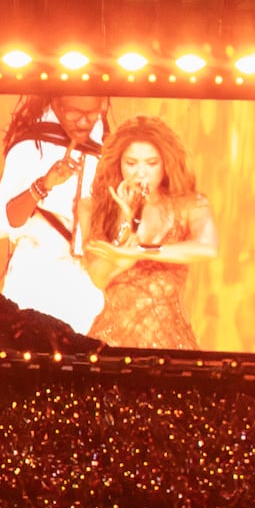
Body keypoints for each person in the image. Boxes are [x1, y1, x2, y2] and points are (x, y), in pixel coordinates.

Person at [82, 114, 214, 348]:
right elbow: (98, 277)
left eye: (151, 164)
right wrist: (126, 221)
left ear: (166, 163)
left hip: (171, 342)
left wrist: (140, 251)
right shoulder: (93, 207)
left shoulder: (189, 204)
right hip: (112, 341)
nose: (140, 173)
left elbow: (207, 247)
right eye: (131, 163)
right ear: (118, 163)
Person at [0, 100, 105, 336]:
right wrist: (44, 184)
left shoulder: (108, 148)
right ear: (58, 103)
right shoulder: (31, 146)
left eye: (92, 113)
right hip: (35, 280)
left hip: (86, 290)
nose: (83, 122)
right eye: (74, 112)